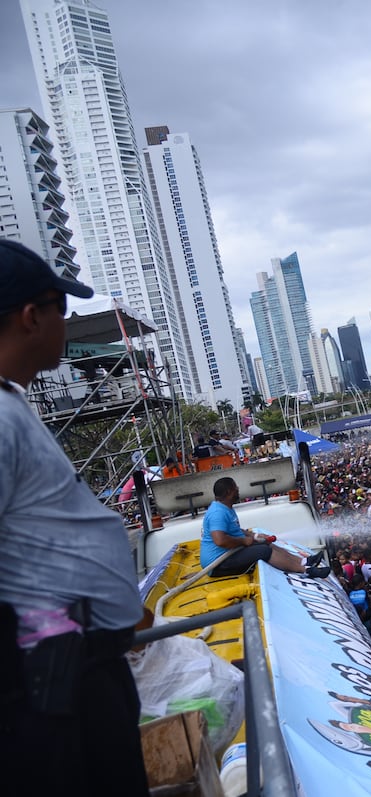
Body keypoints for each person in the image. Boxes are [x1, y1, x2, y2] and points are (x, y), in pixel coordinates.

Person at [0, 239, 149, 795]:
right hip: (48, 692)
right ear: (31, 317)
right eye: (62, 310)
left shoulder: (12, 406)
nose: (69, 324)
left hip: (72, 677)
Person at [201, 476, 328, 577]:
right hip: (218, 563)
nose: (238, 490)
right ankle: (305, 570)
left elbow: (234, 529)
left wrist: (253, 535)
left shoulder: (225, 508)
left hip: (228, 554)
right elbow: (220, 540)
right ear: (229, 492)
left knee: (266, 543)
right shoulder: (217, 513)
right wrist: (244, 541)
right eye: (235, 488)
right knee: (263, 551)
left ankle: (303, 561)